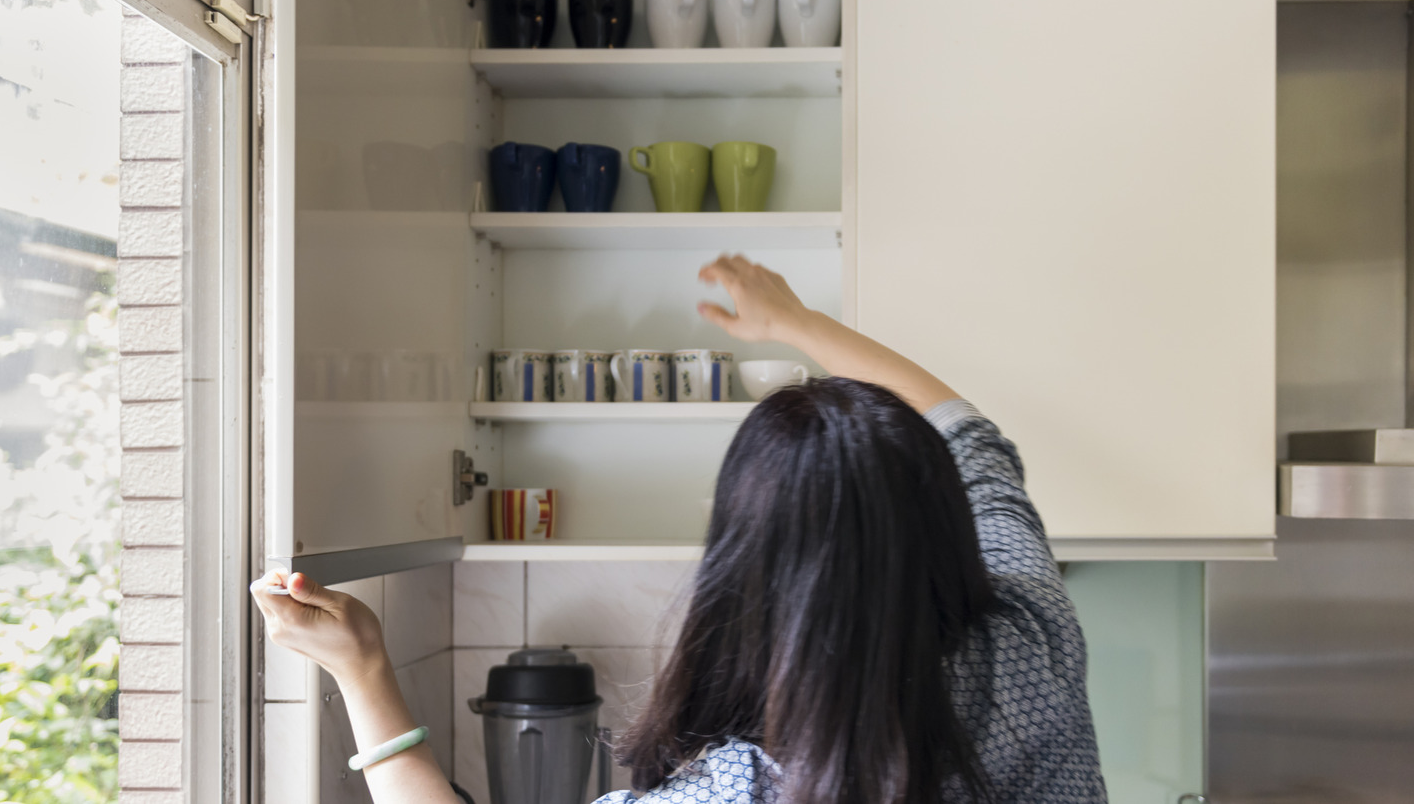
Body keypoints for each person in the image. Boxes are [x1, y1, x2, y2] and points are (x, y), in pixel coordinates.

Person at [251, 255, 1107, 804]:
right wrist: (797, 326)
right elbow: (968, 433)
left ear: (748, 568)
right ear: (942, 519)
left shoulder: (739, 790)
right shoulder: (1036, 636)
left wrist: (363, 669)